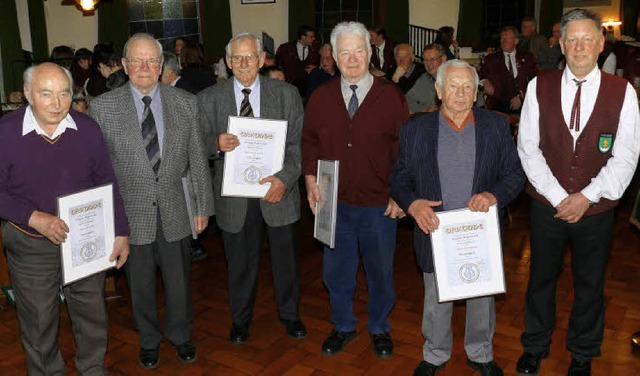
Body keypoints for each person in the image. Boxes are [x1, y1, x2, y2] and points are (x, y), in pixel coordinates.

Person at [516, 8, 640, 376]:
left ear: (602, 44)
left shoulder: (623, 93)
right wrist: (559, 198)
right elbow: (528, 148)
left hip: (597, 210)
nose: (580, 46)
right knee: (540, 278)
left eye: (588, 39)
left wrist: (586, 196)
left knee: (590, 283)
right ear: (561, 44)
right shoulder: (540, 85)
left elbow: (627, 153)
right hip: (546, 206)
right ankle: (535, 345)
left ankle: (582, 353)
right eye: (573, 39)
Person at [390, 59, 525, 376]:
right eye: (453, 85)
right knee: (436, 298)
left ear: (477, 91)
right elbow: (399, 178)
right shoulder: (414, 129)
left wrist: (494, 196)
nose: (461, 93)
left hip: (480, 232)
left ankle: (480, 353)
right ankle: (435, 353)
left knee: (481, 298)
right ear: (438, 90)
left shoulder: (495, 125)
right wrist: (413, 205)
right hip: (435, 229)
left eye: (468, 86)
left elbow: (515, 174)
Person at [89, 33, 214, 369]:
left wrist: (203, 206)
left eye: (151, 61)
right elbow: (98, 171)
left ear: (161, 66)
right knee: (139, 284)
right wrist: (108, 219)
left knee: (179, 282)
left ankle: (180, 335)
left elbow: (198, 158)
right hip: (130, 214)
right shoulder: (102, 107)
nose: (144, 67)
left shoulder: (185, 102)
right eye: (137, 60)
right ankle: (148, 339)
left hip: (176, 207)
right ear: (126, 65)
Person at [0, 62, 130, 375]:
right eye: (46, 94)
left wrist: (121, 231)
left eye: (64, 93)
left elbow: (107, 182)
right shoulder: (5, 133)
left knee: (91, 310)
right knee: (39, 319)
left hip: (84, 236)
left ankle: (92, 366)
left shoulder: (87, 129)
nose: (57, 103)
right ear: (28, 94)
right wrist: (32, 217)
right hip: (31, 241)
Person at [303, 21, 409, 358]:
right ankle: (343, 325)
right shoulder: (319, 97)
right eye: (344, 52)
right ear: (333, 56)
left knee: (380, 272)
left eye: (358, 51)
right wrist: (308, 178)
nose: (352, 59)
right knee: (337, 272)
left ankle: (379, 327)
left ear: (369, 52)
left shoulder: (390, 97)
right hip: (333, 204)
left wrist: (400, 194)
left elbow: (405, 150)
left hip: (380, 204)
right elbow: (309, 143)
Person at [198, 32, 306, 345]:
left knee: (286, 263)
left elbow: (298, 146)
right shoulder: (209, 98)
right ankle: (240, 320)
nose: (244, 63)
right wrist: (214, 144)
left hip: (278, 193)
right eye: (237, 58)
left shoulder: (286, 94)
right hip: (235, 198)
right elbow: (196, 145)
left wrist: (285, 179)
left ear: (261, 60)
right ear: (228, 62)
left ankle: (290, 315)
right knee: (240, 265)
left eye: (250, 57)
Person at [479, 26, 537, 113]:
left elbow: (534, 81)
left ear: (516, 41)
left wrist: (521, 97)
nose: (503, 41)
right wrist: (484, 81)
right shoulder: (491, 59)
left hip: (523, 102)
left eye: (507, 38)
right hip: (498, 103)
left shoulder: (527, 58)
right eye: (502, 38)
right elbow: (480, 74)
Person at [276, 25, 320, 95]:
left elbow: (323, 65)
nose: (313, 39)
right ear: (303, 37)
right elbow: (277, 64)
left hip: (309, 88)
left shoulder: (317, 49)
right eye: (311, 37)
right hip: (290, 85)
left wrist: (316, 68)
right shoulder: (285, 49)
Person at [405, 43, 447, 113]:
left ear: (443, 59)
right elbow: (406, 100)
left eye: (432, 59)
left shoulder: (454, 80)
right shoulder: (424, 79)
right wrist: (424, 109)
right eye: (426, 60)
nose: (429, 63)